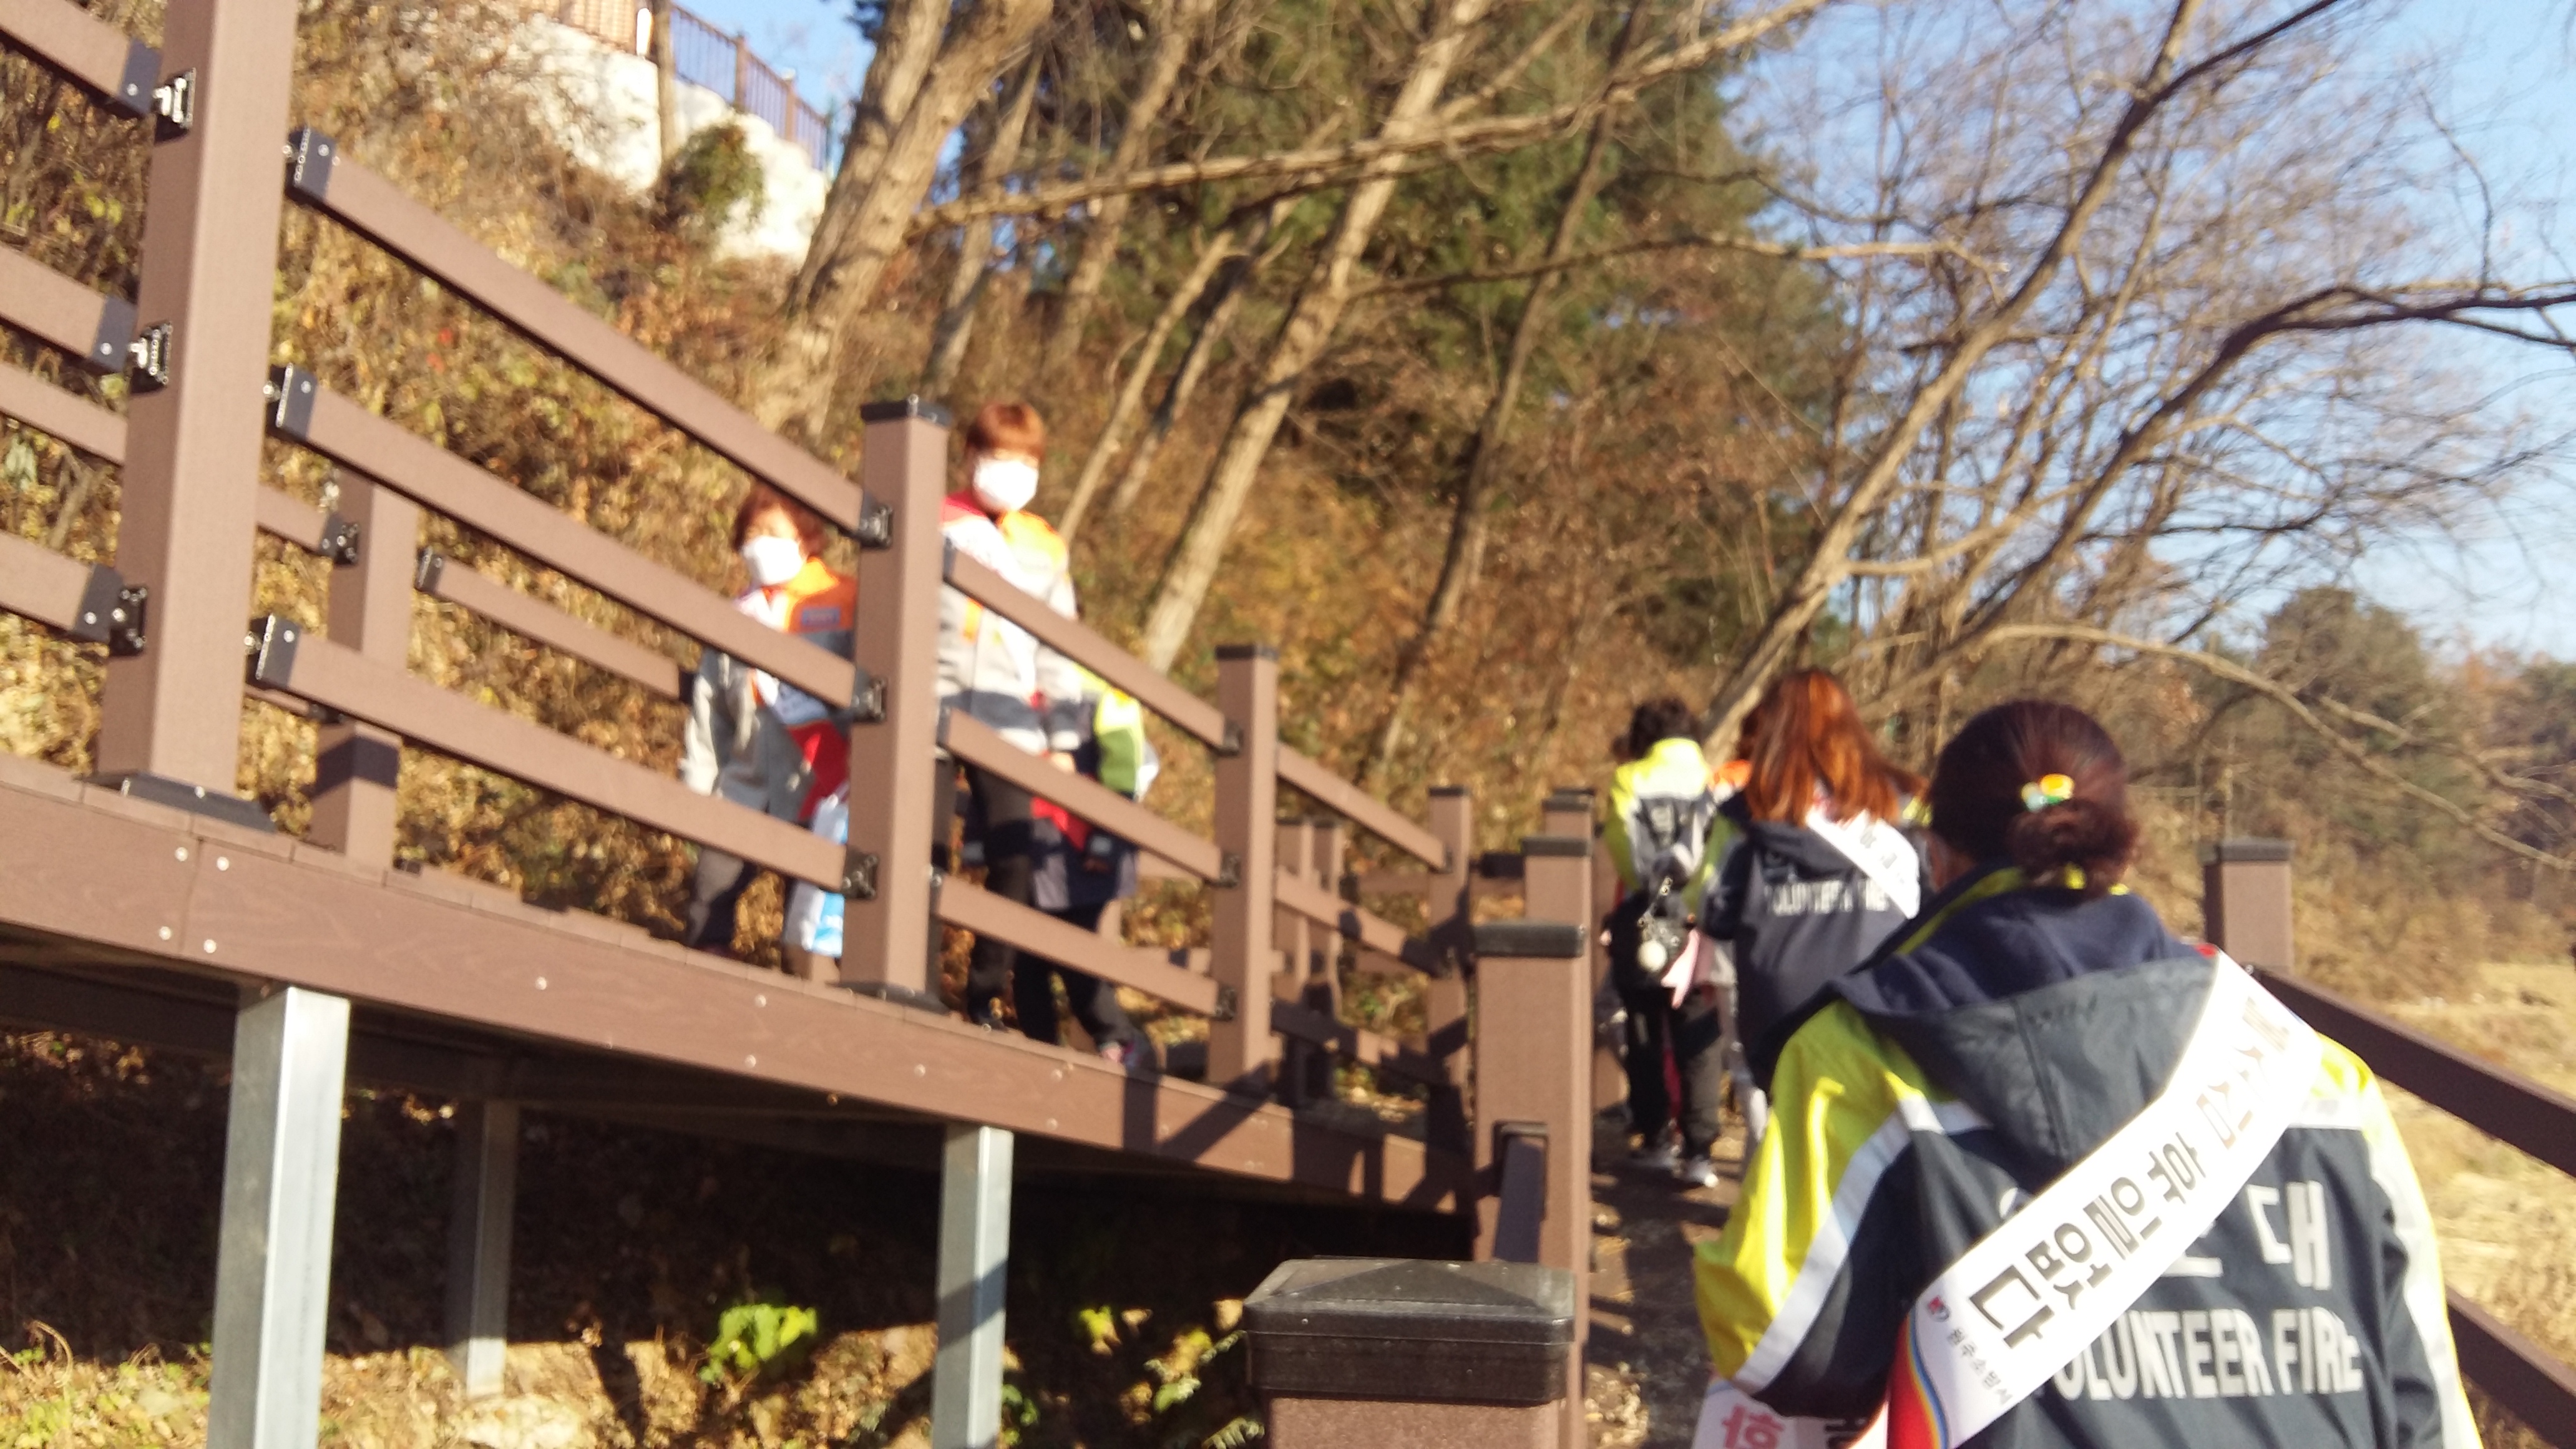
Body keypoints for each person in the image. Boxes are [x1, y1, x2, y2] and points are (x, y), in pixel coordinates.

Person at [1693, 700, 2479, 1448]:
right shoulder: (2306, 1067)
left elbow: (1776, 1346)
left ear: (1936, 854)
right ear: (2120, 847)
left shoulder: (1860, 1054)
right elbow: (2423, 1391)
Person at [1700, 669, 1927, 1141]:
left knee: (1788, 1136)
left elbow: (1715, 913)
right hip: (1877, 1010)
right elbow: (1934, 897)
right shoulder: (1904, 804)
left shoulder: (1741, 814)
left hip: (1777, 1021)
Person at [935, 401, 1088, 1027]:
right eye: (999, 457)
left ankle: (984, 992)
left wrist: (1065, 737)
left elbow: (1058, 645)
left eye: (1026, 462)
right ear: (970, 456)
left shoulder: (1044, 545)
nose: (1012, 472)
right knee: (921, 843)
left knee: (1015, 854)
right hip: (931, 694)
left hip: (1010, 712)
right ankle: (911, 975)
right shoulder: (935, 519)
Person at [679, 483, 856, 957]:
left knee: (807, 931)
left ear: (805, 537)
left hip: (820, 788)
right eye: (752, 534)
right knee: (708, 901)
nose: (761, 544)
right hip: (745, 785)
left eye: (773, 532)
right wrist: (696, 790)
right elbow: (709, 712)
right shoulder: (735, 616)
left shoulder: (845, 600)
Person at [1604, 696, 1735, 1187]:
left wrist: (1653, 891)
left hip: (1646, 916)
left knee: (1643, 1030)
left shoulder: (1629, 779)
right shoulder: (1714, 782)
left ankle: (1657, 1140)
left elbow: (1624, 849)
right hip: (1701, 921)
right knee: (1699, 1037)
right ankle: (1700, 1152)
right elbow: (1725, 852)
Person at [1018, 678, 1158, 1066]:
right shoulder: (1022, 676)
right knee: (1025, 956)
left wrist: (1106, 840)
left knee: (1072, 948)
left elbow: (1123, 769)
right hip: (1039, 840)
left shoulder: (1104, 692)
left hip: (1083, 844)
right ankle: (1040, 1052)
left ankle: (1118, 1039)